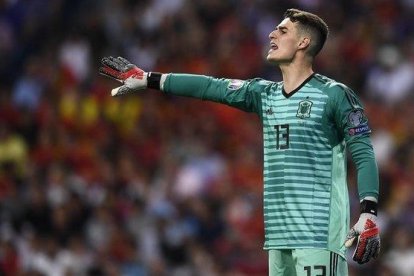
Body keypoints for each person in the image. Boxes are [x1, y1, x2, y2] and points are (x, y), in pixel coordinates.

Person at [99, 8, 380, 276]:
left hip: (318, 233)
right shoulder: (264, 94)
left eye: (282, 31)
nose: (272, 34)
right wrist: (148, 78)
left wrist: (368, 213)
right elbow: (211, 86)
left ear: (303, 42)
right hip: (279, 235)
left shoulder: (335, 95)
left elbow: (363, 152)